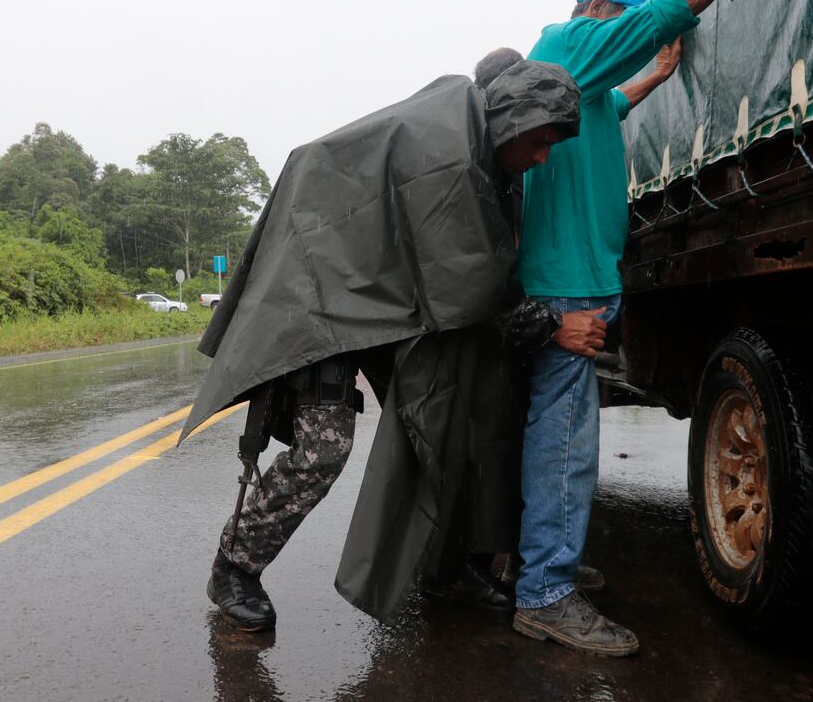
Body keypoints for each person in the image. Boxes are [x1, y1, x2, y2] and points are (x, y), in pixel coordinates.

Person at [181, 61, 582, 632]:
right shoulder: (452, 151)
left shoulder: (480, 139)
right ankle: (234, 567)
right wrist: (548, 325)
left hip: (386, 298)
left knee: (444, 425)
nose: (542, 157)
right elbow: (467, 278)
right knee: (323, 450)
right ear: (513, 116)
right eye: (539, 140)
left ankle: (445, 566)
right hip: (321, 292)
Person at [512, 0, 732, 657]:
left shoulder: (583, 83)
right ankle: (544, 593)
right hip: (567, 290)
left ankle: (544, 562)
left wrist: (657, 77)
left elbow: (614, 102)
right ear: (601, 9)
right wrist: (661, 19)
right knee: (564, 450)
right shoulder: (566, 45)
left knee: (559, 442)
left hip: (579, 283)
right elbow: (668, 10)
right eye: (625, 20)